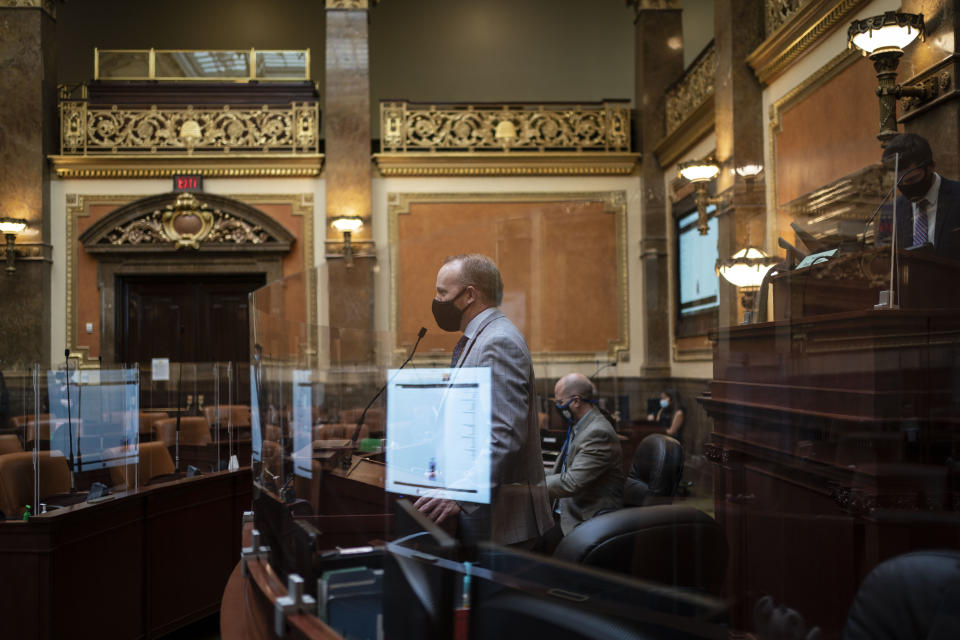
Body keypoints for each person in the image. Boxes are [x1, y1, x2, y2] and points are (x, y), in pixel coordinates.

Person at [414, 254, 554, 548]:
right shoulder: (479, 338)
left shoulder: (498, 341)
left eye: (442, 292)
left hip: (501, 520)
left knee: (490, 594)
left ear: (469, 295)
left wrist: (460, 493)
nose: (436, 300)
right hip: (483, 510)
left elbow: (504, 435)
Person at [545, 373, 623, 535]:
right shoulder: (581, 425)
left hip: (585, 521)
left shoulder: (597, 432)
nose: (558, 407)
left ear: (576, 401)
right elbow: (562, 472)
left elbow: (571, 482)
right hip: (568, 512)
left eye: (560, 402)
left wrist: (530, 487)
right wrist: (527, 477)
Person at [882, 133, 960, 258]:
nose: (906, 186)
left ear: (931, 167)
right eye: (899, 182)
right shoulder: (891, 211)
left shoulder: (956, 196)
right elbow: (885, 260)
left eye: (913, 179)